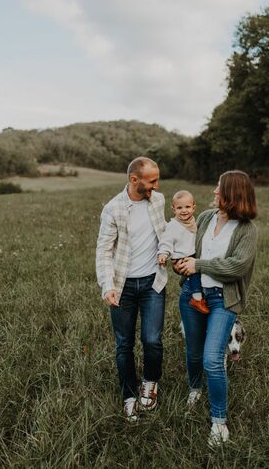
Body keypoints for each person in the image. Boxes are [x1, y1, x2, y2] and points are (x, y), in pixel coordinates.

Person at [177, 170, 258, 446]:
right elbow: (190, 252)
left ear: (232, 195)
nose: (213, 192)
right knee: (193, 351)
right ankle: (195, 389)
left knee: (213, 358)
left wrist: (199, 265)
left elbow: (237, 267)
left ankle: (219, 422)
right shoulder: (204, 218)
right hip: (193, 293)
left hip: (224, 299)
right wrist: (181, 263)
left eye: (218, 188)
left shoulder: (247, 230)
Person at [96, 157, 166, 422]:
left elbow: (166, 233)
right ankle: (128, 395)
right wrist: (108, 285)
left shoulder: (157, 201)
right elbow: (103, 250)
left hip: (153, 283)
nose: (157, 186)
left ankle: (150, 382)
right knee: (124, 344)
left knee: (152, 340)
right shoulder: (113, 209)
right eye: (152, 181)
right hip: (123, 286)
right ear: (134, 180)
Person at [157, 190, 209, 314]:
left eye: (187, 207)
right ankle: (197, 299)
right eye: (179, 208)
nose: (184, 210)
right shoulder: (172, 226)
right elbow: (166, 241)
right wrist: (163, 253)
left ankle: (199, 295)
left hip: (192, 253)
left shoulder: (193, 223)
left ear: (193, 208)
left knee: (196, 272)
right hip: (182, 256)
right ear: (173, 209)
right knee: (194, 272)